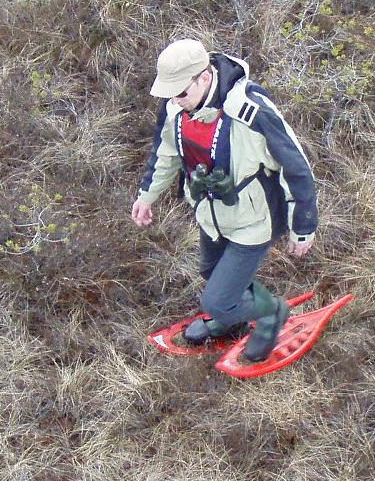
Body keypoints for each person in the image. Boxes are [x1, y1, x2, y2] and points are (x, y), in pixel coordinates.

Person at [132, 38, 318, 362]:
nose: (175, 100)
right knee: (211, 271)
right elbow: (166, 154)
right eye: (170, 93)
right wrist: (147, 197)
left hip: (253, 221)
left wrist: (302, 226)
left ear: (204, 78)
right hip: (210, 214)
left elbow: (296, 168)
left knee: (216, 300)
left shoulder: (251, 111)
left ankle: (272, 312)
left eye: (181, 92)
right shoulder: (175, 106)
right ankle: (233, 318)